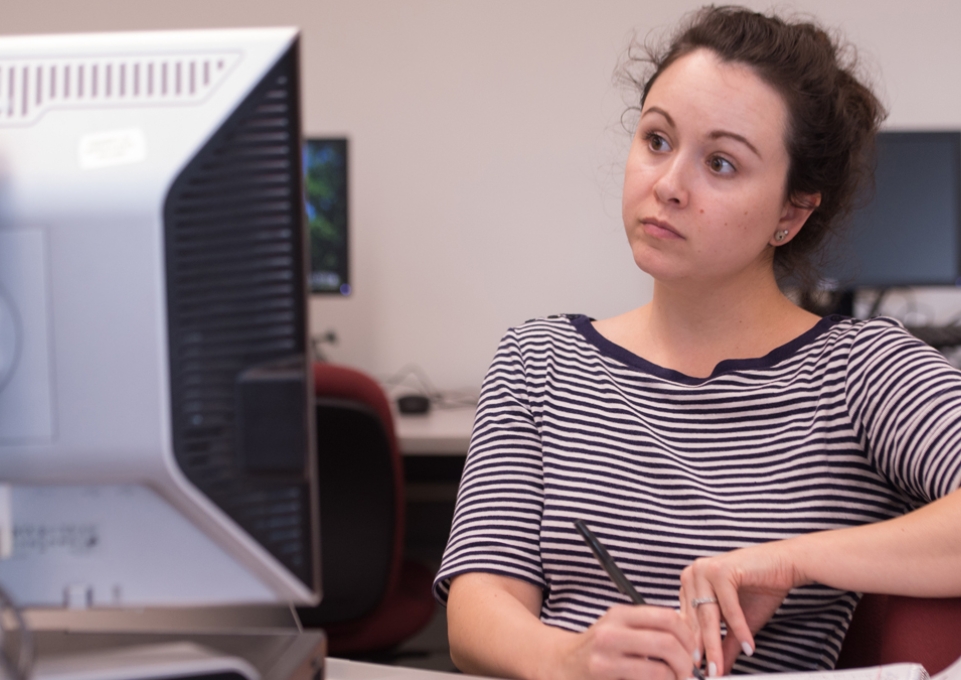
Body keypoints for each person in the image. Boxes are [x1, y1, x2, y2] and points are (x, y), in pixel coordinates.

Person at [433, 5, 961, 679]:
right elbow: (477, 607)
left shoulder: (862, 372)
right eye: (656, 140)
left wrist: (792, 558)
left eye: (719, 162)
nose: (667, 185)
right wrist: (567, 658)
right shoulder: (539, 361)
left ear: (790, 211)